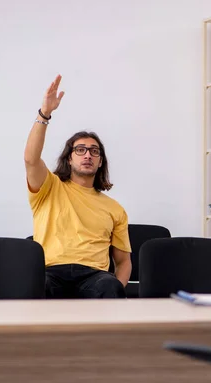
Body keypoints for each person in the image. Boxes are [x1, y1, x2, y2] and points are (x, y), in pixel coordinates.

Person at [24, 74, 132, 299]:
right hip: (51, 272)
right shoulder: (49, 187)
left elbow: (123, 262)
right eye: (80, 150)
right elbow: (31, 159)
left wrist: (117, 287)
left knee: (109, 286)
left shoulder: (115, 209)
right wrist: (45, 114)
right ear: (69, 158)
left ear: (100, 161)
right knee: (33, 286)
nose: (87, 155)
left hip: (94, 277)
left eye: (94, 151)